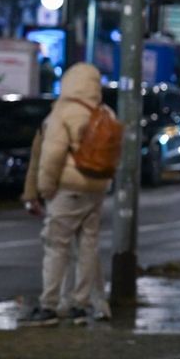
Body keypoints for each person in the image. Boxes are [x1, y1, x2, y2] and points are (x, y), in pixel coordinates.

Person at [20, 63, 115, 325]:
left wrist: (45, 189)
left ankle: (48, 305)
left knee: (56, 245)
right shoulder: (104, 112)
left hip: (68, 188)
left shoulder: (63, 112)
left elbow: (51, 156)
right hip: (96, 188)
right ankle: (79, 304)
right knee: (87, 246)